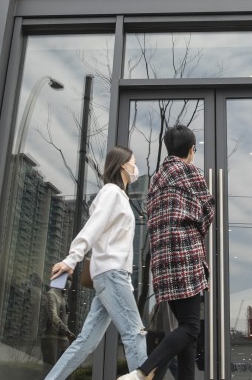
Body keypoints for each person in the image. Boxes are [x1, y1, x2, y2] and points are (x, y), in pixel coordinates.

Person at [119, 124, 214, 380]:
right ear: (191, 149)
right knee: (192, 327)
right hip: (186, 259)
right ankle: (143, 371)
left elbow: (153, 217)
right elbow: (208, 212)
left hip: (163, 264)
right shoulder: (190, 172)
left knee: (187, 334)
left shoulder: (158, 177)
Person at [44, 146, 148, 380]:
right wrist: (72, 259)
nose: (135, 168)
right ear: (123, 165)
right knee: (135, 333)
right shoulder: (111, 192)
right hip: (112, 275)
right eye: (133, 162)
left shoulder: (117, 195)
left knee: (85, 342)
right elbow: (93, 227)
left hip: (110, 276)